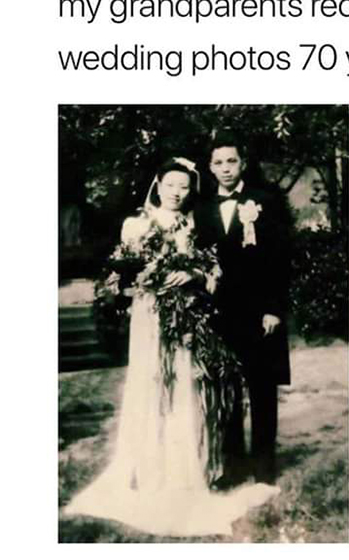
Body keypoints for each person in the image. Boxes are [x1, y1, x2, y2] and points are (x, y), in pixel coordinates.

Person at [63, 158, 279, 536]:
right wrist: (147, 278)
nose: (177, 193)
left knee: (182, 386)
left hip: (185, 319)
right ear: (158, 185)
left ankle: (184, 468)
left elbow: (212, 269)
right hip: (150, 317)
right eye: (171, 185)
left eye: (184, 187)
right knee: (151, 383)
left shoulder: (193, 223)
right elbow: (121, 276)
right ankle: (147, 468)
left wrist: (191, 273)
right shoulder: (136, 224)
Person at [194, 135, 291, 487]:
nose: (225, 169)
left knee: (262, 388)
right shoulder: (202, 209)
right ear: (210, 168)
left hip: (259, 311)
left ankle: (264, 467)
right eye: (218, 163)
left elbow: (281, 259)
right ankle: (233, 467)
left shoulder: (265, 202)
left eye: (231, 161)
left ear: (242, 163)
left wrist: (274, 309)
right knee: (227, 391)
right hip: (220, 314)